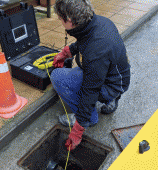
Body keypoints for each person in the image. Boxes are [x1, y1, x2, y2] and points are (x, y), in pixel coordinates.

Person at [50, 0, 131, 151]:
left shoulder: (96, 52)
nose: (60, 22)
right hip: (119, 78)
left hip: (108, 84)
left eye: (60, 19)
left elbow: (90, 91)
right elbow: (85, 40)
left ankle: (90, 117)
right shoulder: (99, 22)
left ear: (69, 20)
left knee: (58, 77)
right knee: (89, 75)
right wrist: (67, 52)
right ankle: (112, 99)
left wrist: (77, 131)